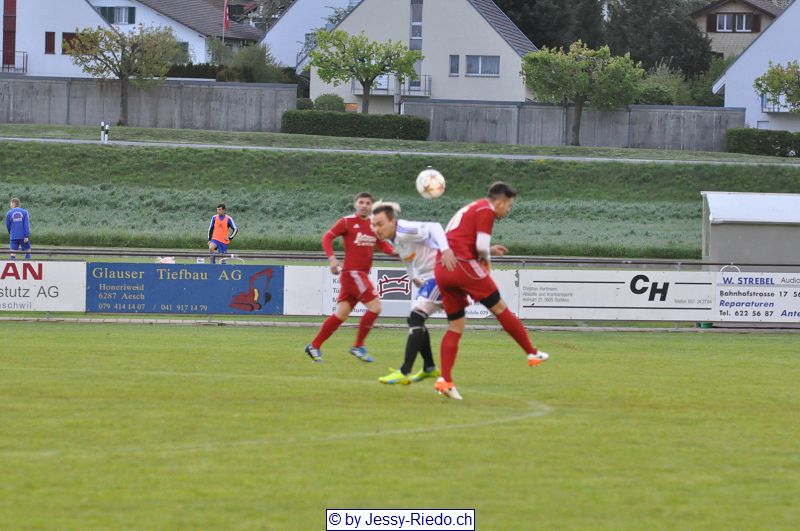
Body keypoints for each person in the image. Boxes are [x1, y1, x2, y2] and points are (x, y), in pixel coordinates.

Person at [433, 182, 549, 400]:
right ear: (500, 202)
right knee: (500, 308)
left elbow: (464, 239)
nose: (508, 210)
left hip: (442, 268)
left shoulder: (472, 207)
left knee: (456, 325)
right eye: (509, 206)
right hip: (462, 266)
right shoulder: (486, 210)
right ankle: (532, 353)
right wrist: (486, 260)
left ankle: (445, 380)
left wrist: (489, 250)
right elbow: (480, 246)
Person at [371, 202, 457, 385]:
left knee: (416, 317)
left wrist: (446, 250)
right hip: (430, 278)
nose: (376, 229)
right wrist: (413, 278)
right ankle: (429, 367)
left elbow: (435, 227)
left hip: (441, 274)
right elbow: (407, 260)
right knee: (414, 319)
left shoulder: (404, 230)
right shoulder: (394, 239)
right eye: (374, 225)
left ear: (392, 221)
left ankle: (405, 371)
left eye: (380, 224)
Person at [304, 192, 395, 363]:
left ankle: (314, 346)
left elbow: (382, 245)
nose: (364, 205)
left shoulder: (374, 225)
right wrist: (332, 258)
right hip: (353, 273)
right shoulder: (347, 222)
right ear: (355, 204)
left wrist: (397, 253)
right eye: (361, 202)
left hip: (357, 275)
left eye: (368, 203)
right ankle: (358, 346)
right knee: (375, 307)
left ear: (372, 206)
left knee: (341, 314)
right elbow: (327, 237)